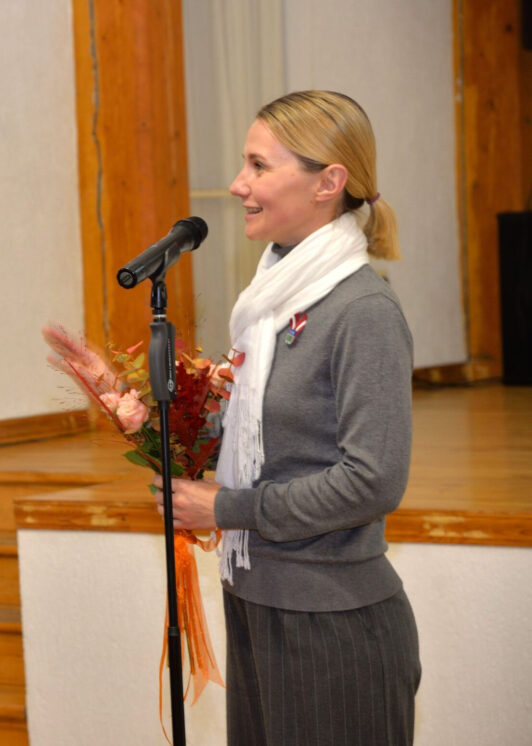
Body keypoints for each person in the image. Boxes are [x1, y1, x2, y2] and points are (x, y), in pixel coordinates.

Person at [155, 90, 420, 744]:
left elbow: (373, 482)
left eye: (259, 165)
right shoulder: (267, 308)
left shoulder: (362, 312)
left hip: (331, 622)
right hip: (256, 599)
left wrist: (228, 508)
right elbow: (263, 441)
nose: (237, 184)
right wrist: (158, 420)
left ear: (328, 182)